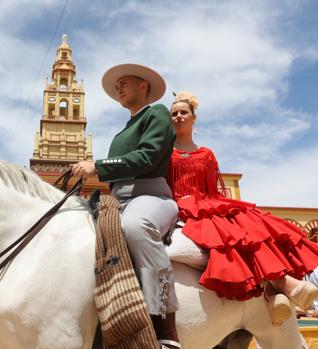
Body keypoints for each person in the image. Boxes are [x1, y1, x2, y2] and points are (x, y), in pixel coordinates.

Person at [167, 91, 318, 325]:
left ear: (194, 118)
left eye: (183, 112)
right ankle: (279, 288)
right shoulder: (164, 152)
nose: (178, 116)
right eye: (174, 113)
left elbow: (211, 190)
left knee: (249, 228)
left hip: (205, 202)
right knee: (224, 235)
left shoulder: (206, 154)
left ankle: (277, 288)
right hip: (178, 203)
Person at [72, 64, 181, 349]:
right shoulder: (123, 132)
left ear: (144, 86)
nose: (118, 88)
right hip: (118, 200)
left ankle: (165, 327)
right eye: (117, 85)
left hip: (151, 197)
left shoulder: (157, 113)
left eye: (124, 83)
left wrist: (97, 166)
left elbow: (147, 157)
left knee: (136, 226)